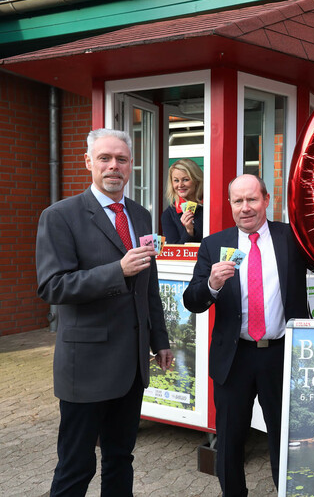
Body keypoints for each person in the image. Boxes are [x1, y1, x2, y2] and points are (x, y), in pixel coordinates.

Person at [36, 128, 174, 496]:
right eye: (105, 158)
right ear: (89, 163)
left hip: (131, 367)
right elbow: (53, 286)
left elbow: (150, 287)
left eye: (122, 159)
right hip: (87, 367)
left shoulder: (141, 216)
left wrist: (160, 339)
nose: (114, 166)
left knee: (120, 459)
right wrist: (117, 271)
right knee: (76, 465)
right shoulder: (60, 216)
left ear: (131, 165)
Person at [182, 174, 311, 496]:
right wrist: (212, 284)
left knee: (285, 436)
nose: (245, 208)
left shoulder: (291, 236)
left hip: (280, 353)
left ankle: (287, 490)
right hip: (234, 356)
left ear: (266, 200)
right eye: (238, 201)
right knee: (229, 438)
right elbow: (192, 300)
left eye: (252, 199)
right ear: (230, 205)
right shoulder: (215, 244)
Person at [161, 158, 204, 244]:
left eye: (185, 179)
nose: (180, 185)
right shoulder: (169, 214)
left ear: (196, 180)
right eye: (176, 180)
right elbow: (175, 252)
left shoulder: (210, 206)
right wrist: (189, 231)